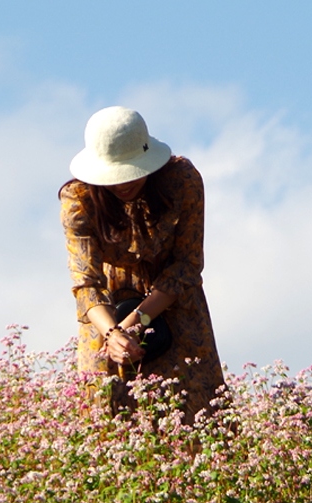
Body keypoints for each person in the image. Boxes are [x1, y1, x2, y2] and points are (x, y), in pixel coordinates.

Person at [60, 106, 224, 420]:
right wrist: (115, 335)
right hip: (107, 314)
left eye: (132, 172)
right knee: (108, 415)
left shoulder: (182, 181)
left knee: (195, 414)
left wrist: (137, 322)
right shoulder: (78, 201)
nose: (123, 184)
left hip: (175, 303)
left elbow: (187, 265)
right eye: (115, 175)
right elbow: (86, 284)